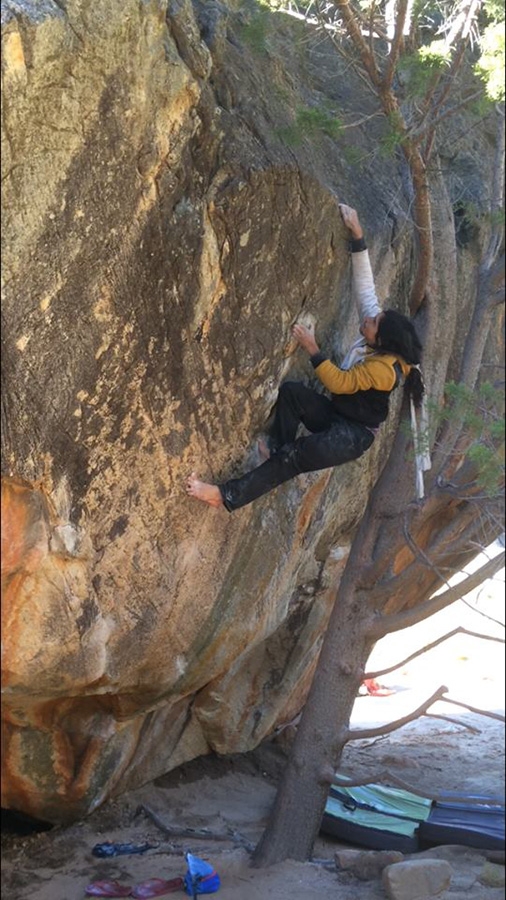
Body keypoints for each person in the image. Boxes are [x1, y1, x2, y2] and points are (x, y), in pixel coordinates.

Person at [187, 203, 425, 512]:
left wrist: (312, 348)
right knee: (292, 395)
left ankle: (224, 495)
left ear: (381, 340)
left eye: (374, 322)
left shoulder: (384, 370)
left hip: (353, 435)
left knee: (295, 458)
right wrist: (358, 235)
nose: (369, 318)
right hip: (339, 414)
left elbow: (339, 384)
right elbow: (366, 290)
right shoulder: (378, 340)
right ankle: (276, 452)